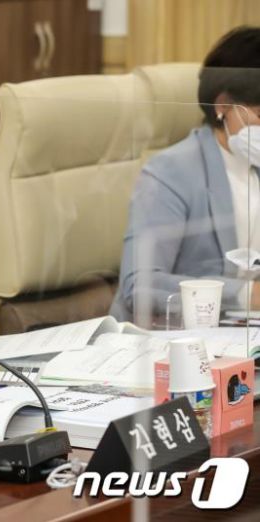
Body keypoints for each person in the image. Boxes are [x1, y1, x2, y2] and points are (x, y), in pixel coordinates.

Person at [111, 27, 260, 323]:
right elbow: (138, 286)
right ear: (222, 105)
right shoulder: (171, 172)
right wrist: (247, 294)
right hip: (175, 336)